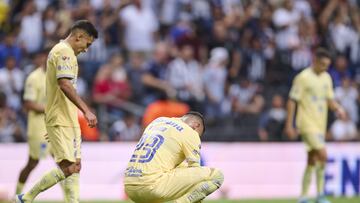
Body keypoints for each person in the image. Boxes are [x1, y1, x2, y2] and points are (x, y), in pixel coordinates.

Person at [16, 20, 98, 203]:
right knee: (67, 167)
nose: (86, 49)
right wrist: (87, 110)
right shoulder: (63, 52)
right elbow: (64, 85)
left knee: (75, 166)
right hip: (60, 119)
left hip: (68, 119)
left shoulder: (68, 53)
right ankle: (26, 197)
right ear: (79, 37)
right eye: (88, 44)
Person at [285, 48, 346, 203]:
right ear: (315, 61)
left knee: (312, 160)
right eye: (322, 64)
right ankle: (320, 195)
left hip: (320, 124)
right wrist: (289, 125)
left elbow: (329, 99)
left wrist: (338, 109)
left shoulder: (326, 77)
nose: (325, 68)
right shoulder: (303, 77)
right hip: (306, 123)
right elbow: (292, 100)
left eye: (327, 65)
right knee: (323, 155)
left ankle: (303, 196)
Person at [124, 111, 224, 203]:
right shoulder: (190, 132)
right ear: (196, 126)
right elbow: (194, 177)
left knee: (179, 167)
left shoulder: (157, 121)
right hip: (152, 186)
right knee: (217, 176)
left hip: (130, 187)